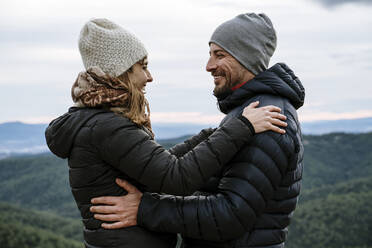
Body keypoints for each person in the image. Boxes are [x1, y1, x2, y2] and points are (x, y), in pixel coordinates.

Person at [45, 18, 288, 248]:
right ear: (122, 72)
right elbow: (176, 177)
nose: (149, 77)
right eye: (143, 67)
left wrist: (216, 133)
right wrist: (240, 127)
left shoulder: (97, 121)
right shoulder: (107, 127)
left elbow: (159, 165)